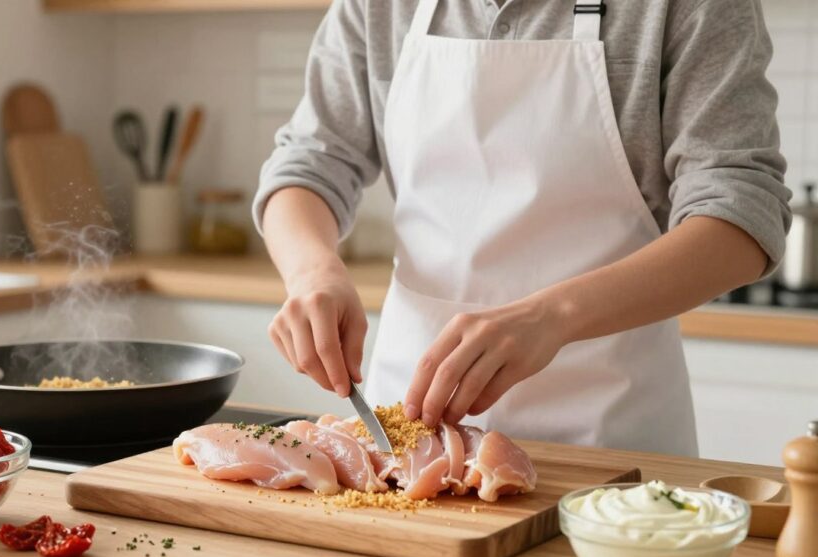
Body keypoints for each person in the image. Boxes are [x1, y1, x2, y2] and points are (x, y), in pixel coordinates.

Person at [254, 0, 791, 456]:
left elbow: (742, 211)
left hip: (610, 441)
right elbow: (309, 163)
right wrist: (312, 272)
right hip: (413, 433)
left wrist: (552, 316)